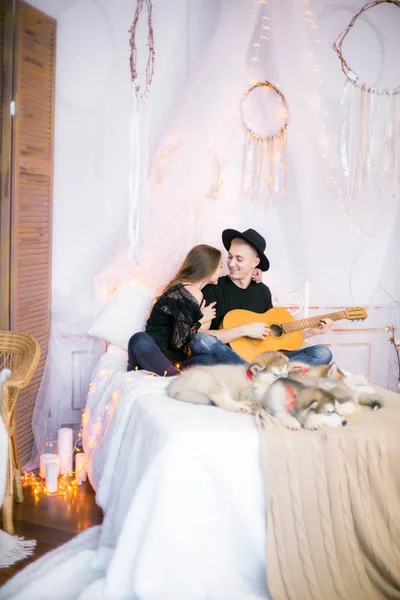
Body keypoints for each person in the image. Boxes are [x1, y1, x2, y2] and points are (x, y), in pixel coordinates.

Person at [200, 228, 333, 366]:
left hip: (261, 362)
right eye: (230, 256)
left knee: (323, 353)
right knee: (201, 340)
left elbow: (272, 340)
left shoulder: (262, 291)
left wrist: (310, 332)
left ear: (255, 263)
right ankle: (257, 373)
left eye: (239, 259)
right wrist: (245, 330)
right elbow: (202, 337)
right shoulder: (213, 289)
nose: (231, 263)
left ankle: (262, 374)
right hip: (229, 359)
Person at [127, 244, 244, 376]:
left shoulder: (195, 292)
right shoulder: (190, 291)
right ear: (209, 268)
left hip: (176, 363)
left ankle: (174, 375)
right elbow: (178, 342)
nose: (222, 272)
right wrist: (201, 320)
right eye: (220, 266)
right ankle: (174, 376)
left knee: (208, 360)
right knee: (139, 339)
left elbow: (183, 343)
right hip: (154, 354)